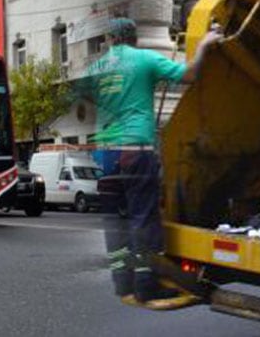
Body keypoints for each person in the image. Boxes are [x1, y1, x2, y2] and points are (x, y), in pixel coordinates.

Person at [85, 17, 220, 308]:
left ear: (109, 40)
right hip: (135, 149)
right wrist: (206, 45)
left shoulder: (96, 68)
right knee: (142, 219)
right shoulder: (144, 59)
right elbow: (189, 75)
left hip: (105, 154)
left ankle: (122, 284)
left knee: (115, 223)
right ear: (134, 38)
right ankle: (146, 285)